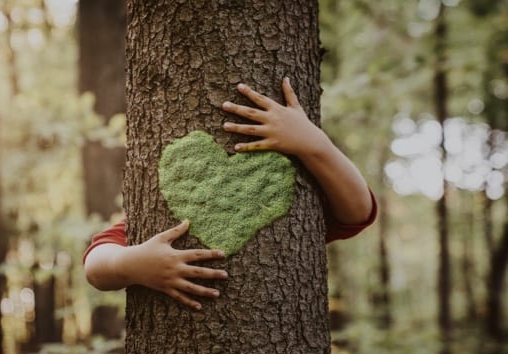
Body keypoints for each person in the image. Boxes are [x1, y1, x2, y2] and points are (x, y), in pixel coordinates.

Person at [83, 77, 377, 310]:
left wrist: (314, 143)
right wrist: (132, 264)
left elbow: (358, 211)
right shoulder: (161, 213)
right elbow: (96, 265)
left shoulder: (304, 198)